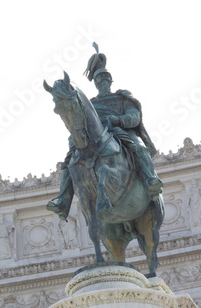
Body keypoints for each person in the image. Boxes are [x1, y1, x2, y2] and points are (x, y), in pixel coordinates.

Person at [47, 43, 162, 221]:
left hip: (120, 133)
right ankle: (63, 200)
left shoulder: (122, 97)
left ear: (110, 81)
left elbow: (134, 117)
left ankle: (150, 180)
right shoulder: (90, 104)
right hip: (97, 139)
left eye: (105, 80)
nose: (102, 83)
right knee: (70, 161)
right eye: (99, 81)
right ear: (95, 83)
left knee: (138, 148)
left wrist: (118, 120)